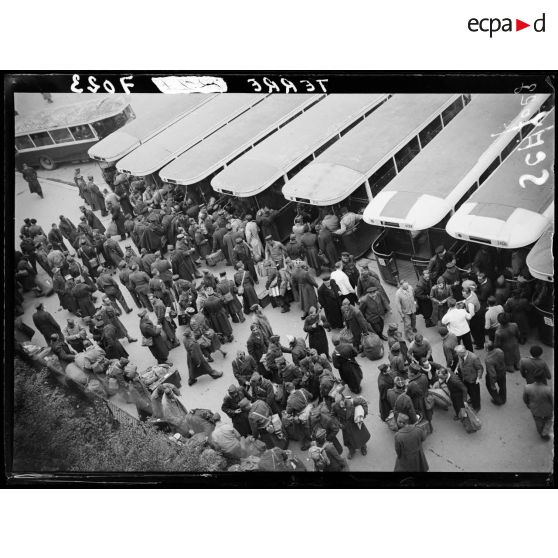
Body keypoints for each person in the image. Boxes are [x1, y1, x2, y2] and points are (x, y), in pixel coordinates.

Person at [332, 394, 370, 459]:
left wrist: (364, 413)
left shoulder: (352, 401)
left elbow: (363, 402)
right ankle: (352, 451)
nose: (340, 405)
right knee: (348, 440)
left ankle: (363, 447)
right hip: (345, 426)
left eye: (341, 403)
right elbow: (333, 415)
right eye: (338, 403)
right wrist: (338, 423)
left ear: (344, 399)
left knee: (361, 437)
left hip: (355, 423)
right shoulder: (335, 406)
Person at [522, 370, 553, 441]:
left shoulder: (527, 387)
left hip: (535, 409)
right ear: (543, 378)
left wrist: (528, 405)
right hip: (547, 409)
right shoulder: (548, 389)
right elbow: (551, 400)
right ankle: (544, 432)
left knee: (538, 420)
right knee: (548, 420)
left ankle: (540, 431)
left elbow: (525, 399)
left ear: (534, 378)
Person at [455, 345, 483, 412]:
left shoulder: (474, 358)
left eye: (457, 353)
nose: (456, 354)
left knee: (475, 393)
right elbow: (459, 362)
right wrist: (457, 368)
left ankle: (477, 407)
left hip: (473, 379)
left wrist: (478, 378)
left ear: (462, 352)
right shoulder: (461, 355)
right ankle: (472, 399)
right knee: (469, 391)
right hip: (465, 378)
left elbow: (480, 368)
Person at [484, 341, 507, 405]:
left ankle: (498, 400)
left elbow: (492, 374)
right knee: (502, 386)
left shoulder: (488, 359)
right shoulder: (500, 351)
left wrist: (493, 385)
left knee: (490, 387)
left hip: (495, 375)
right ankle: (503, 399)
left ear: (487, 349)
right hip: (502, 372)